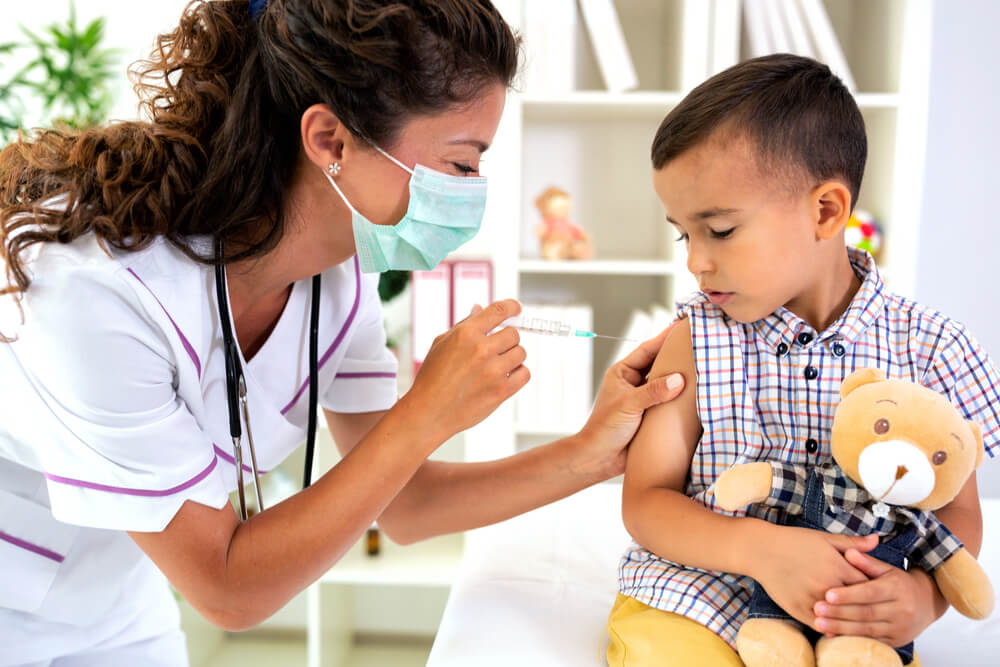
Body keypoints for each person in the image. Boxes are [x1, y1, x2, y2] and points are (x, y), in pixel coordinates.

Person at [0, 2, 686, 665]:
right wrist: (427, 411)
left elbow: (406, 503)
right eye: (462, 163)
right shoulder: (97, 288)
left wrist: (595, 451)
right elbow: (228, 590)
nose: (473, 192)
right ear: (330, 140)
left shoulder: (339, 278)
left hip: (120, 588)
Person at [604, 54, 1000, 666]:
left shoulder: (931, 347)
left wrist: (922, 597)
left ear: (825, 210)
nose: (696, 262)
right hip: (699, 594)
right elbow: (646, 502)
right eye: (686, 234)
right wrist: (757, 548)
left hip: (848, 619)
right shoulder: (695, 338)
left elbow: (957, 517)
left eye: (720, 230)